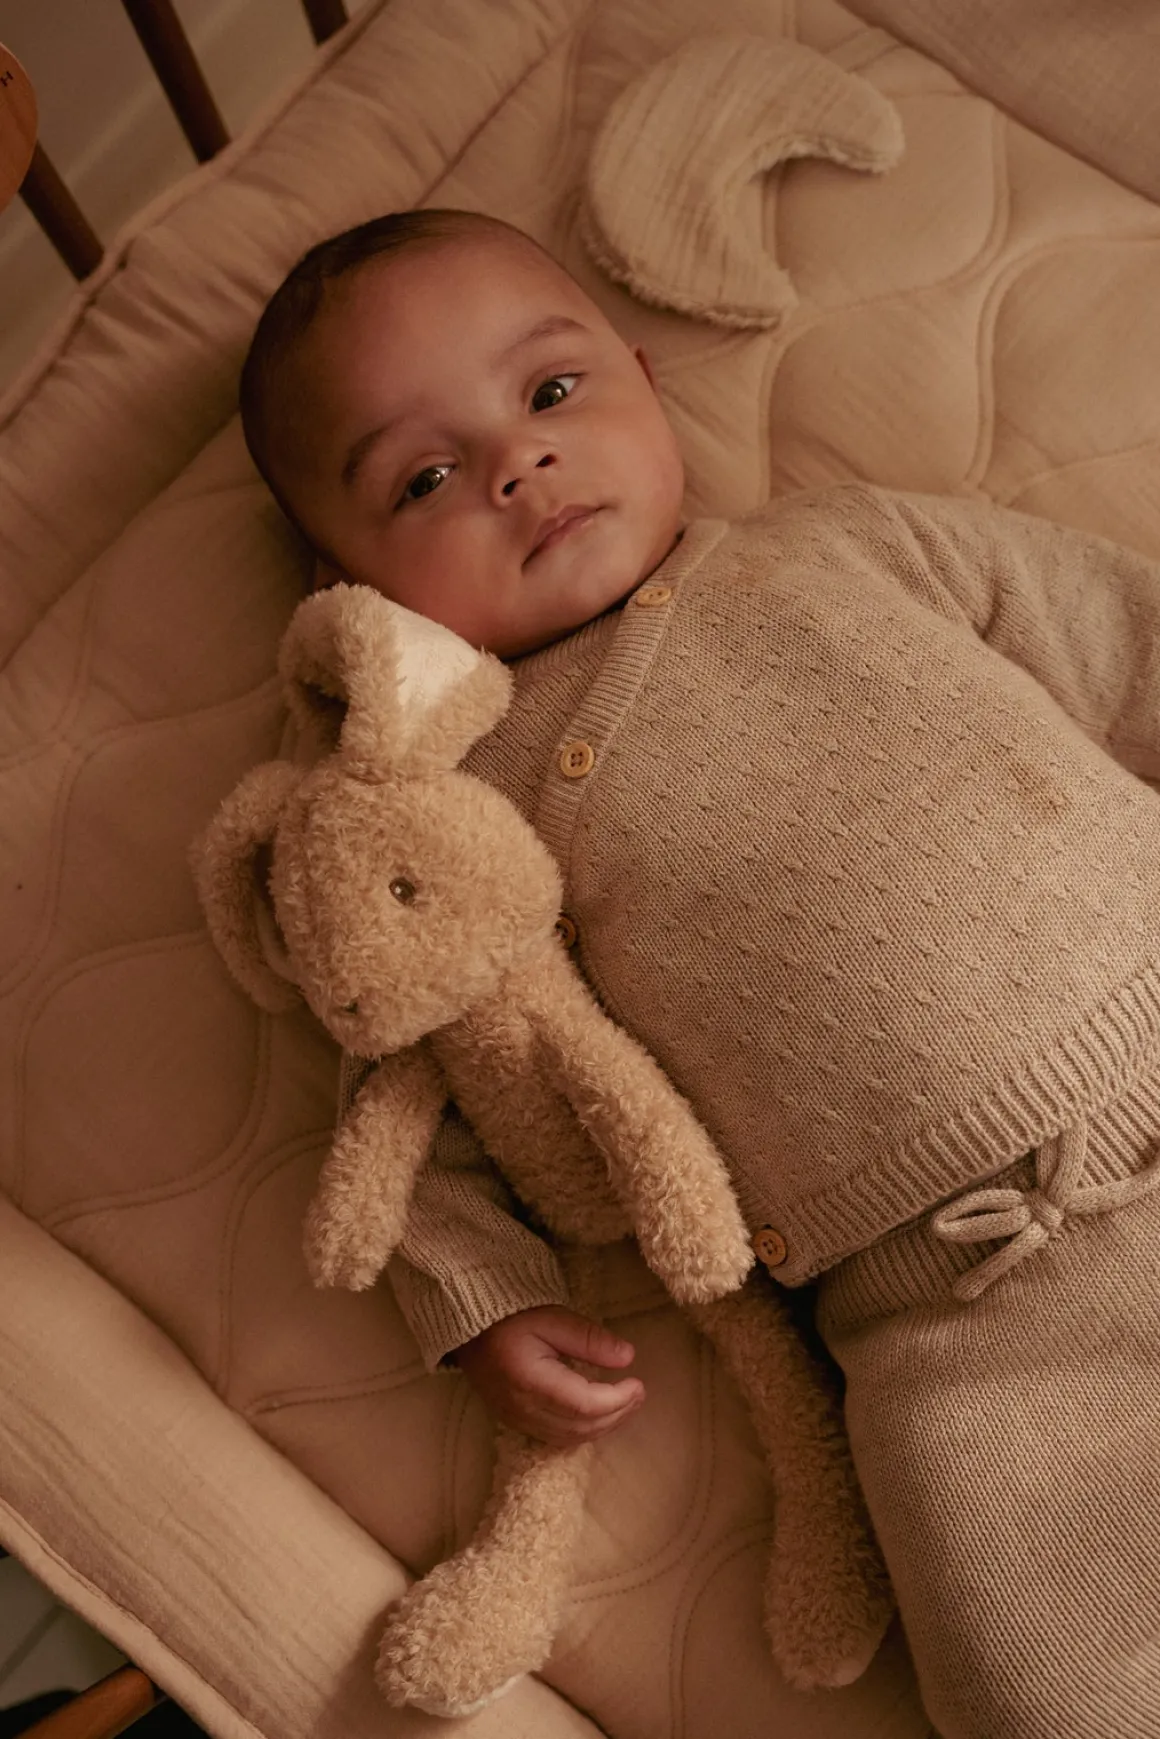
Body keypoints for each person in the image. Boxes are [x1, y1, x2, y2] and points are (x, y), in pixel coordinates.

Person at [239, 206, 1160, 1739]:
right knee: (1039, 1676)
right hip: (955, 1308)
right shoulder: (454, 800)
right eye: (423, 479)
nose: (518, 466)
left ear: (646, 380)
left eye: (550, 393)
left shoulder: (854, 545)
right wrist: (484, 1301)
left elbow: (1125, 644)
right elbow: (421, 1064)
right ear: (345, 581)